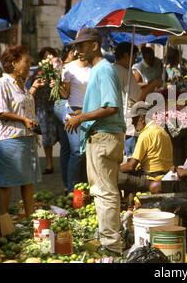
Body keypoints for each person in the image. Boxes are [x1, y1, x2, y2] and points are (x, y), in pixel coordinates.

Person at [65, 28, 125, 256]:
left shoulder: (104, 69)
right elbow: (102, 106)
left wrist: (81, 117)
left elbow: (111, 107)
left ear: (94, 45)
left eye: (81, 46)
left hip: (104, 137)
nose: (77, 50)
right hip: (101, 136)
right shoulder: (100, 70)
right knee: (102, 191)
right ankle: (109, 241)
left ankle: (111, 246)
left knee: (105, 192)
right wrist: (80, 113)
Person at [0, 45, 45, 217]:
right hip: (11, 140)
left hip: (27, 138)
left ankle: (30, 219)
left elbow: (22, 105)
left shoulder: (21, 84)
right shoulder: (2, 83)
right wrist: (23, 120)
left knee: (27, 182)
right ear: (13, 63)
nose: (29, 65)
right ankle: (3, 220)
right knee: (7, 182)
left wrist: (33, 88)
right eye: (26, 62)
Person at [53, 44, 91, 193]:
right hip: (73, 111)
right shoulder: (68, 68)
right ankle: (71, 189)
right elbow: (65, 94)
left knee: (87, 152)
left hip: (90, 110)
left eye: (83, 49)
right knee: (77, 151)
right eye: (78, 49)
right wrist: (57, 84)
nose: (81, 52)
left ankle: (84, 186)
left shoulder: (95, 68)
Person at [119, 101, 174, 189]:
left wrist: (113, 170)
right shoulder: (162, 131)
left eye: (134, 119)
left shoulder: (146, 134)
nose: (132, 122)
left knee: (117, 177)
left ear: (141, 118)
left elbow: (130, 166)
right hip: (165, 176)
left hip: (151, 179)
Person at [31, 47, 60, 174]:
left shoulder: (58, 70)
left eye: (50, 55)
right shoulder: (38, 72)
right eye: (45, 56)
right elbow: (32, 89)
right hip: (42, 107)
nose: (48, 58)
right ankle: (49, 164)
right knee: (46, 136)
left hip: (57, 106)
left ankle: (64, 161)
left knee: (60, 134)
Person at [114, 42, 142, 157]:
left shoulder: (110, 69)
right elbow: (138, 96)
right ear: (126, 55)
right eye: (134, 57)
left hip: (114, 122)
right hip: (128, 122)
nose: (135, 61)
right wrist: (154, 83)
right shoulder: (126, 72)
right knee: (129, 156)